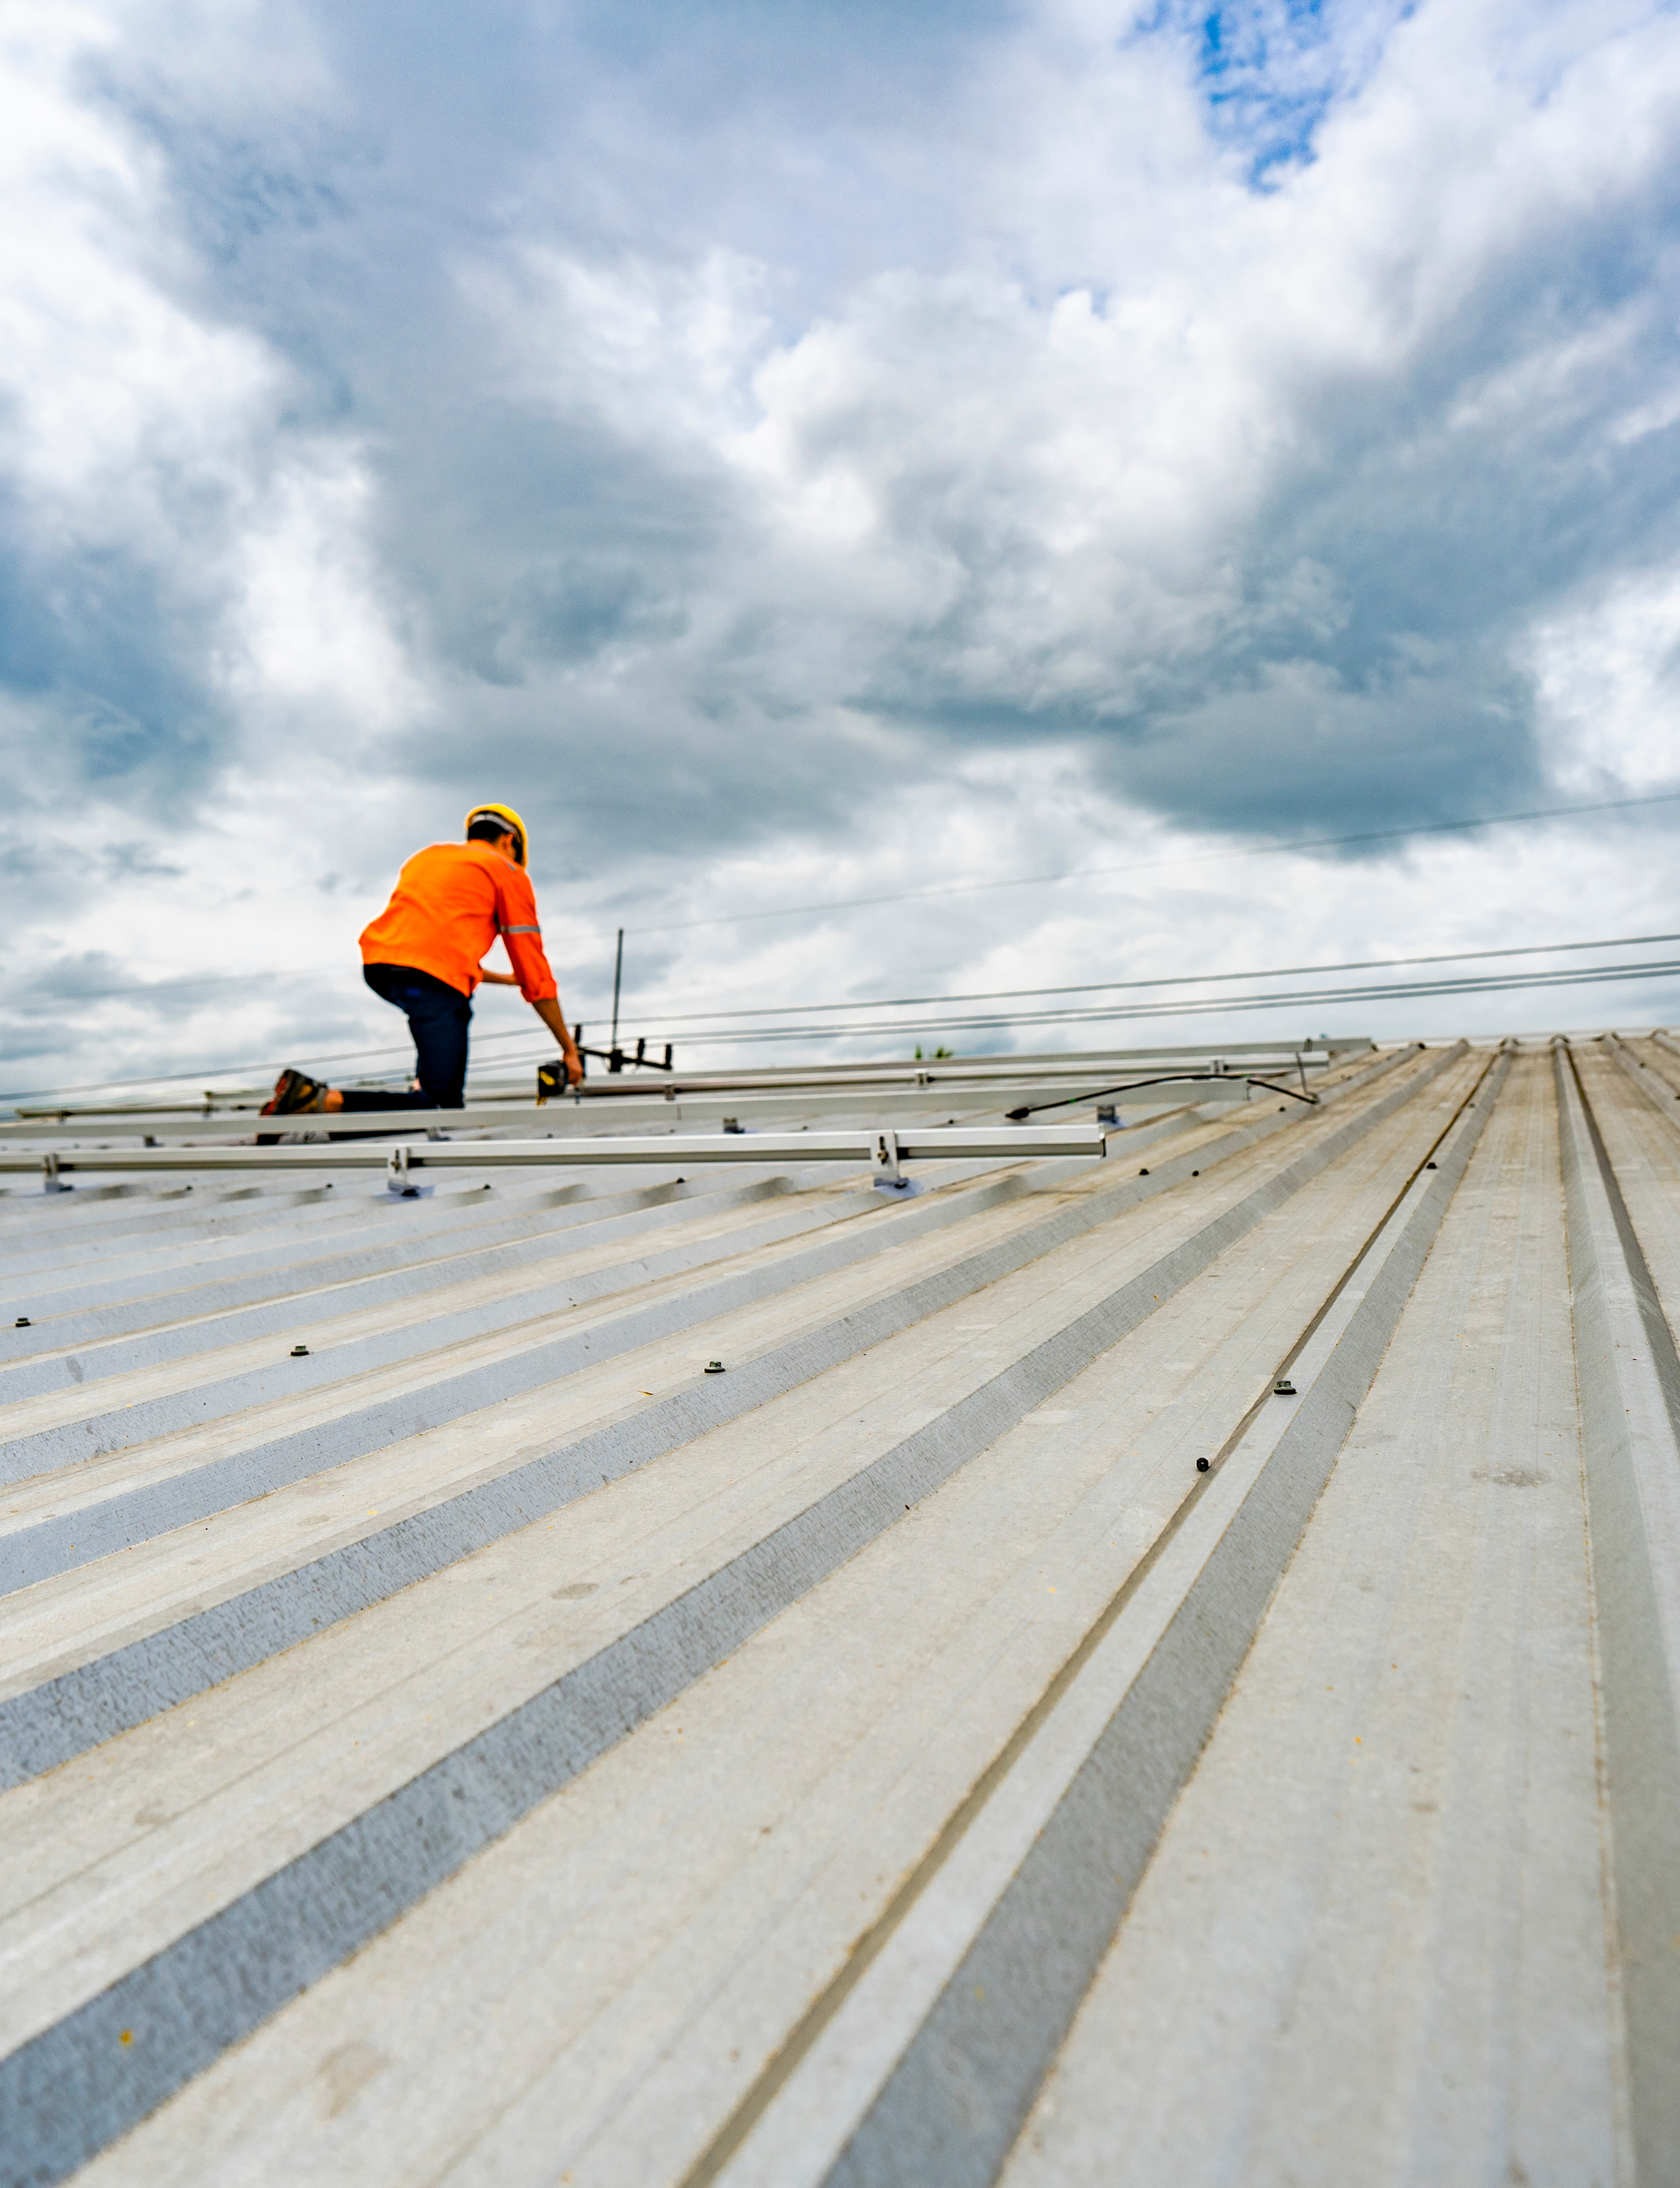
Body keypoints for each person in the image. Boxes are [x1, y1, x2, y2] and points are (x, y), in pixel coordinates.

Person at [262, 803, 582, 1117]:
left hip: (382, 967)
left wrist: (506, 979)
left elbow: (432, 946)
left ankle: (337, 1102)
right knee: (441, 1106)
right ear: (510, 841)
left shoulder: (428, 857)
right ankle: (316, 1101)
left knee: (434, 1068)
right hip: (431, 982)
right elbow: (536, 976)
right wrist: (569, 1050)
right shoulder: (507, 870)